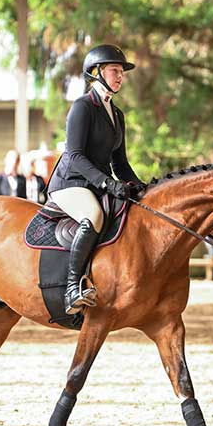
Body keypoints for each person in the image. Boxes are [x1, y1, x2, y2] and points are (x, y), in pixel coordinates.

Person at [46, 44, 144, 314]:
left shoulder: (117, 114)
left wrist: (140, 187)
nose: (120, 76)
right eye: (114, 70)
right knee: (94, 215)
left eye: (121, 71)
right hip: (70, 183)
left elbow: (120, 163)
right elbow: (75, 155)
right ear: (96, 72)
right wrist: (107, 183)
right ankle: (71, 290)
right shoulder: (83, 106)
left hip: (95, 184)